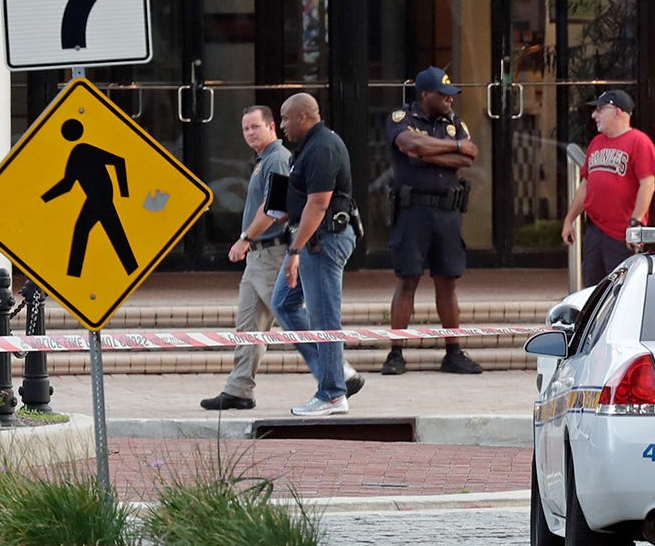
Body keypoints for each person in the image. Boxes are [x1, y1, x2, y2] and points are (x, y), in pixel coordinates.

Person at [202, 105, 361, 410]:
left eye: (256, 126)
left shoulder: (287, 155)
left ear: (275, 126)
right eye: (245, 128)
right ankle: (239, 388)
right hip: (270, 252)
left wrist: (282, 248)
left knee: (320, 315)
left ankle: (335, 382)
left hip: (282, 249)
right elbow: (285, 204)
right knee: (264, 317)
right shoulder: (286, 155)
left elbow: (308, 205)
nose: (250, 133)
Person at [380, 67, 483, 376]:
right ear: (425, 95)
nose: (450, 101)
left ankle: (453, 351)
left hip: (448, 213)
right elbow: (412, 144)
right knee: (407, 279)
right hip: (413, 212)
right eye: (444, 95)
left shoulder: (454, 123)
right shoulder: (402, 118)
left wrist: (427, 152)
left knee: (448, 281)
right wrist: (452, 148)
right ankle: (396, 351)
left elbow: (470, 156)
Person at [272, 92, 359, 417]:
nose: (281, 126)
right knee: (283, 302)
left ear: (303, 117)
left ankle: (333, 393)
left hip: (323, 242)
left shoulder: (322, 146)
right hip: (311, 240)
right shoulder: (308, 146)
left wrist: (294, 250)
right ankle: (338, 371)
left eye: (284, 118)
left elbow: (319, 203)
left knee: (325, 319)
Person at [561, 89, 655, 286]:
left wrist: (636, 222)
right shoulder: (597, 143)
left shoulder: (639, 142)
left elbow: (648, 184)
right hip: (595, 229)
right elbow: (586, 185)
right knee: (593, 289)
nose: (594, 115)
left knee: (620, 289)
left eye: (600, 110)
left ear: (618, 112)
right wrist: (570, 219)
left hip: (623, 233)